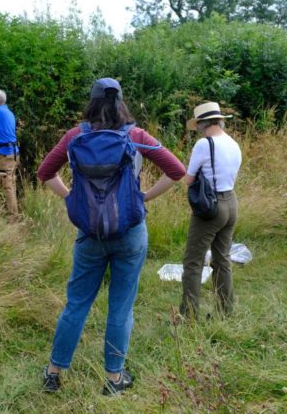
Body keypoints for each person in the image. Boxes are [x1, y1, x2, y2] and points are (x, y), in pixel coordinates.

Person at [36, 77, 186, 395]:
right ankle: (114, 380)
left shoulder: (75, 136)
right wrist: (144, 197)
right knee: (120, 307)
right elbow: (176, 170)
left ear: (91, 101)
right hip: (130, 231)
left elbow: (44, 173)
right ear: (120, 102)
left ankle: (53, 373)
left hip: (89, 234)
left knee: (76, 304)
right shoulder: (136, 136)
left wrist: (69, 197)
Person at [180, 102, 242, 318]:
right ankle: (226, 311)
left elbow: (188, 180)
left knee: (193, 262)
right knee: (222, 259)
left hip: (211, 207)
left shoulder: (204, 144)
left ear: (200, 125)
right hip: (231, 202)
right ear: (220, 121)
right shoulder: (233, 143)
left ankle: (188, 316)